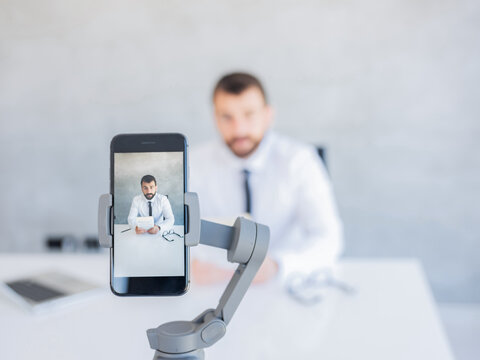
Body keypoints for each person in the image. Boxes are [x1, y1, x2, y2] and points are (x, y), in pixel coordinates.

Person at [190, 72, 344, 285]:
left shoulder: (300, 160)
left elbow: (329, 239)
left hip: (285, 285)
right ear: (215, 118)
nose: (239, 129)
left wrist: (278, 266)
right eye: (227, 117)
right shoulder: (192, 165)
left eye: (249, 114)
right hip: (212, 289)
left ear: (268, 115)